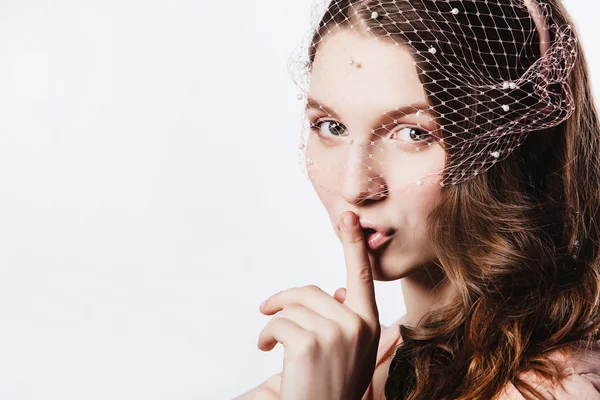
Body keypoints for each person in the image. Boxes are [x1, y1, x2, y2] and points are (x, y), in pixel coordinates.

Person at [236, 0, 600, 398]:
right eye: (331, 126)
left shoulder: (555, 389)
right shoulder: (351, 363)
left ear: (508, 146)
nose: (355, 187)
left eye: (413, 133)